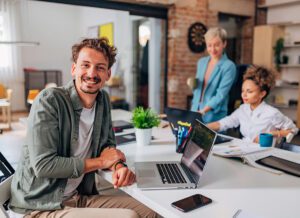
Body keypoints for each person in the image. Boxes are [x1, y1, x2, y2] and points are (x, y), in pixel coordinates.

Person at [9, 38, 157, 218]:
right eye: (85, 65)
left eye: (100, 67)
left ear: (108, 74)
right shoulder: (49, 100)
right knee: (129, 217)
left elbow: (107, 145)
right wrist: (102, 162)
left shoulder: (102, 101)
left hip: (78, 197)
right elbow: (44, 165)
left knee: (152, 212)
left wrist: (118, 166)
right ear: (74, 69)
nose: (92, 73)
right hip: (40, 205)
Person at [207, 65, 298, 143]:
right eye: (243, 91)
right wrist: (199, 126)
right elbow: (223, 124)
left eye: (249, 91)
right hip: (244, 149)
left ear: (262, 94)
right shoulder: (243, 109)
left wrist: (271, 134)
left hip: (263, 154)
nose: (244, 95)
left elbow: (293, 130)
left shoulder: (272, 113)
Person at [191, 27, 236, 123]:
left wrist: (204, 111)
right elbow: (198, 89)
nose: (212, 49)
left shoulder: (229, 66)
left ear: (224, 44)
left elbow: (221, 95)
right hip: (196, 110)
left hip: (214, 115)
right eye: (209, 45)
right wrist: (193, 84)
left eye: (216, 45)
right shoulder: (201, 62)